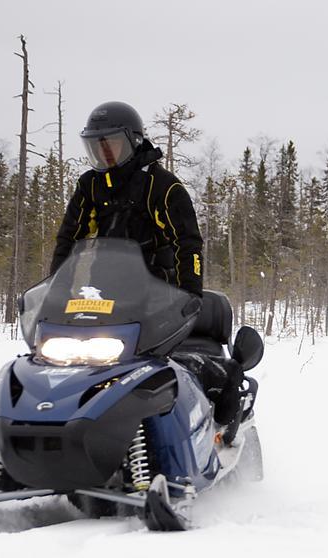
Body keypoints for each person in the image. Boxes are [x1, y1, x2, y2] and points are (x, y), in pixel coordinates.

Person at [50, 101, 242, 429]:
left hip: (158, 296)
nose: (104, 154)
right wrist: (56, 290)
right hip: (101, 298)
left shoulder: (162, 185)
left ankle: (211, 412)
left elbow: (188, 243)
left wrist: (188, 296)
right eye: (97, 147)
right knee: (64, 365)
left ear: (133, 142)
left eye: (110, 145)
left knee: (171, 365)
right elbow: (69, 239)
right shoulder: (90, 185)